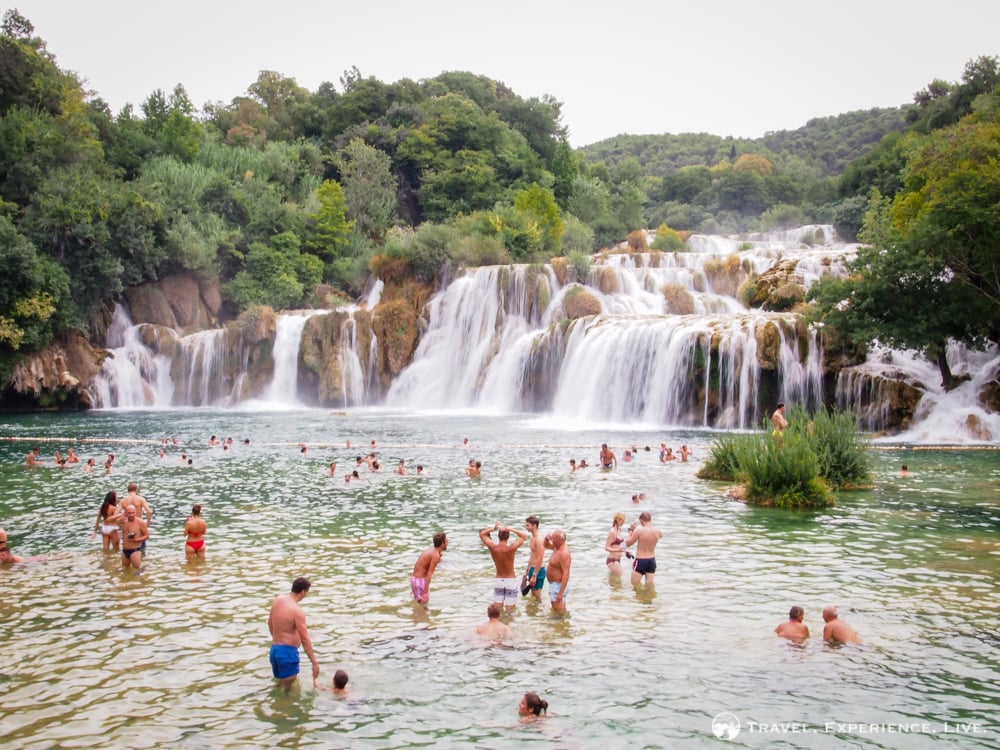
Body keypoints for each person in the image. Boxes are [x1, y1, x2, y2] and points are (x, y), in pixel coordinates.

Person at [268, 577, 320, 691]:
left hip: (274, 651)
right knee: (289, 692)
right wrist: (314, 662)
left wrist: (278, 640)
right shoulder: (297, 611)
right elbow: (305, 639)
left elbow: (270, 623)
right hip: (287, 654)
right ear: (303, 592)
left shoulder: (277, 600)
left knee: (279, 686)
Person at [480, 522, 527, 611]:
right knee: (510, 611)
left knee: (498, 610)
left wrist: (494, 528)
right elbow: (523, 536)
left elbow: (482, 534)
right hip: (510, 581)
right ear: (508, 537)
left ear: (498, 536)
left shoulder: (493, 547)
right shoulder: (511, 548)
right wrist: (511, 529)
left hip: (499, 581)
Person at [625, 511, 662, 587]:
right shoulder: (658, 531)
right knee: (649, 585)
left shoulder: (639, 531)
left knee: (634, 584)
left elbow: (628, 543)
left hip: (641, 560)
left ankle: (639, 598)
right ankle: (647, 598)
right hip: (652, 560)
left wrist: (631, 530)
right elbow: (660, 536)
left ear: (641, 520)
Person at [411, 532, 447, 605]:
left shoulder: (431, 551)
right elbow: (429, 574)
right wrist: (426, 592)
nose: (448, 543)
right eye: (446, 542)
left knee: (421, 608)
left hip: (415, 580)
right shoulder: (436, 555)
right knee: (423, 607)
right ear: (442, 544)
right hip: (420, 582)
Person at [544, 530, 571, 613]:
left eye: (554, 539)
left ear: (561, 540)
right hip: (554, 585)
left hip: (558, 586)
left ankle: (562, 625)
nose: (552, 541)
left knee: (559, 612)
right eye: (552, 538)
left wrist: (560, 593)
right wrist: (546, 539)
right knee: (556, 610)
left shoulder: (564, 553)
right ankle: (560, 624)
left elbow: (566, 573)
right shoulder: (556, 547)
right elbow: (546, 545)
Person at [117, 504, 149, 572]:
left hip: (135, 550)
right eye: (129, 513)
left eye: (133, 513)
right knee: (125, 571)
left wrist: (136, 540)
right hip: (125, 550)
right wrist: (121, 516)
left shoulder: (140, 522)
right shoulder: (123, 521)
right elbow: (109, 521)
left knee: (137, 571)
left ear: (135, 512)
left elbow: (147, 536)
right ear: (126, 513)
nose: (131, 515)